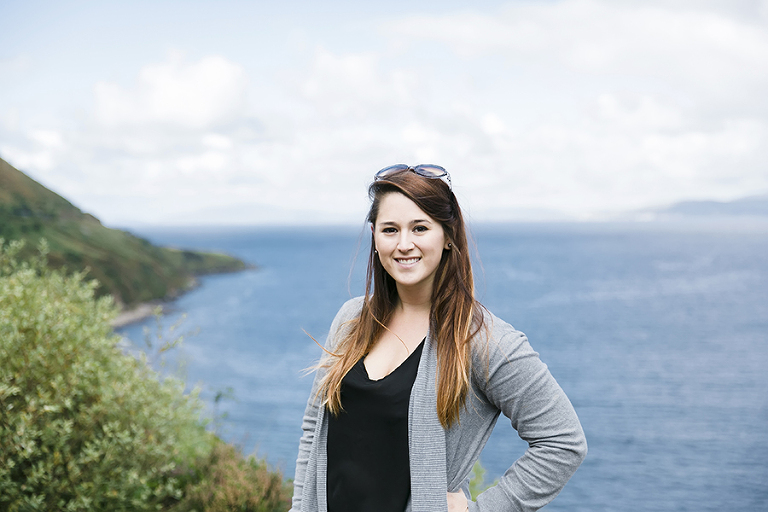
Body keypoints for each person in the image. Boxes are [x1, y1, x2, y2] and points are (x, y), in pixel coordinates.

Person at [290, 164, 587, 512]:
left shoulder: (483, 340)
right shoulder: (352, 319)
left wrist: (479, 510)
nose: (404, 244)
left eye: (420, 228)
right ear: (374, 236)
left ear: (448, 235)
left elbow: (563, 442)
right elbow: (314, 430)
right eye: (390, 229)